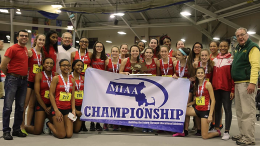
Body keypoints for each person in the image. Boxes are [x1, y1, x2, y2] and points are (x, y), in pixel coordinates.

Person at [231, 27, 260, 145]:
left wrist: (253, 83)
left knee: (248, 111)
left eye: (242, 35)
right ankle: (243, 134)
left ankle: (249, 138)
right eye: (238, 36)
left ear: (247, 35)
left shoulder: (252, 47)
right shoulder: (238, 48)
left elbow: (255, 66)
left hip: (247, 83)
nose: (240, 37)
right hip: (238, 83)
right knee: (240, 111)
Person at [178, 67, 221, 139]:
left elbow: (213, 100)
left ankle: (217, 133)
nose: (200, 74)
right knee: (182, 109)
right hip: (197, 110)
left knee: (204, 136)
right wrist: (186, 105)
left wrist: (210, 115)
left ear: (204, 75)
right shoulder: (195, 85)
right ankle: (181, 130)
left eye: (201, 73)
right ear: (196, 75)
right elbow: (196, 100)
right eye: (198, 73)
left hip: (205, 111)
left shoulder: (208, 84)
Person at [1, 30, 29, 140]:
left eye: (26, 36)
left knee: (20, 107)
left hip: (23, 80)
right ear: (17, 37)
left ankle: (16, 129)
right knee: (8, 107)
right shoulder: (12, 49)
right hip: (12, 79)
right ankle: (6, 131)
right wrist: (10, 76)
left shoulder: (26, 49)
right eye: (22, 36)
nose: (24, 37)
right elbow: (3, 65)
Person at [21, 34, 46, 135]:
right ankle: (21, 125)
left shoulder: (43, 54)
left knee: (32, 105)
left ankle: (28, 125)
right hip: (29, 80)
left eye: (43, 40)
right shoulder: (30, 52)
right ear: (36, 40)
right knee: (25, 104)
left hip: (38, 82)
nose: (41, 42)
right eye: (40, 39)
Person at [25, 58, 56, 135]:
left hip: (53, 105)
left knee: (58, 127)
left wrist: (51, 106)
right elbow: (37, 93)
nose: (49, 65)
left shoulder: (56, 75)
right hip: (42, 104)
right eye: (47, 63)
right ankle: (23, 126)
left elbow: (57, 93)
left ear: (53, 65)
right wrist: (45, 108)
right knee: (37, 131)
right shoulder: (39, 75)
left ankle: (47, 123)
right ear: (43, 64)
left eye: (51, 63)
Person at [47, 59, 76, 139]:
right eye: (64, 65)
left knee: (69, 135)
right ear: (60, 67)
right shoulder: (56, 78)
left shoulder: (72, 80)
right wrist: (56, 110)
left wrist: (73, 110)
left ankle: (59, 125)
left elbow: (72, 96)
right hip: (58, 108)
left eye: (68, 65)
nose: (66, 67)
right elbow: (51, 94)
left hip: (68, 109)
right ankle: (48, 123)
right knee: (61, 135)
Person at [212, 40, 234, 140]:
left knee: (227, 109)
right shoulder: (215, 60)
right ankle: (217, 128)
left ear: (228, 47)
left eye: (225, 46)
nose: (223, 48)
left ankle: (227, 131)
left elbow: (233, 76)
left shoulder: (231, 60)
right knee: (217, 109)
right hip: (216, 88)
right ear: (218, 48)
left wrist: (232, 90)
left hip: (227, 89)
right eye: (221, 46)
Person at [119, 45, 141, 132]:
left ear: (139, 52)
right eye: (133, 51)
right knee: (124, 106)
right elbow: (120, 72)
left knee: (133, 106)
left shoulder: (141, 62)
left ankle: (131, 123)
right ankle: (123, 124)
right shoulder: (125, 60)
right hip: (126, 86)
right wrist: (125, 73)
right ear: (130, 52)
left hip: (136, 87)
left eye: (136, 51)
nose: (135, 52)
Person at [90, 41, 107, 131]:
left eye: (101, 46)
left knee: (100, 103)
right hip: (92, 82)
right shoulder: (91, 57)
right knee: (93, 103)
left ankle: (98, 123)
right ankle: (92, 123)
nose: (99, 48)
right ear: (95, 47)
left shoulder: (106, 58)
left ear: (103, 48)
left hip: (101, 83)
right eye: (97, 46)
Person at [104, 46, 121, 131]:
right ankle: (106, 123)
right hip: (108, 85)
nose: (114, 53)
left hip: (119, 86)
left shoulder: (122, 61)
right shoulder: (107, 61)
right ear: (111, 52)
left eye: (116, 51)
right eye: (113, 51)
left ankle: (115, 123)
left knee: (116, 105)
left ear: (119, 53)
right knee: (108, 104)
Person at [70, 59, 85, 133]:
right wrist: (74, 110)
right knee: (68, 130)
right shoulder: (69, 77)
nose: (80, 67)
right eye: (78, 65)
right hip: (70, 106)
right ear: (73, 67)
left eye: (82, 66)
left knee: (76, 130)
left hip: (80, 105)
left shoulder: (83, 78)